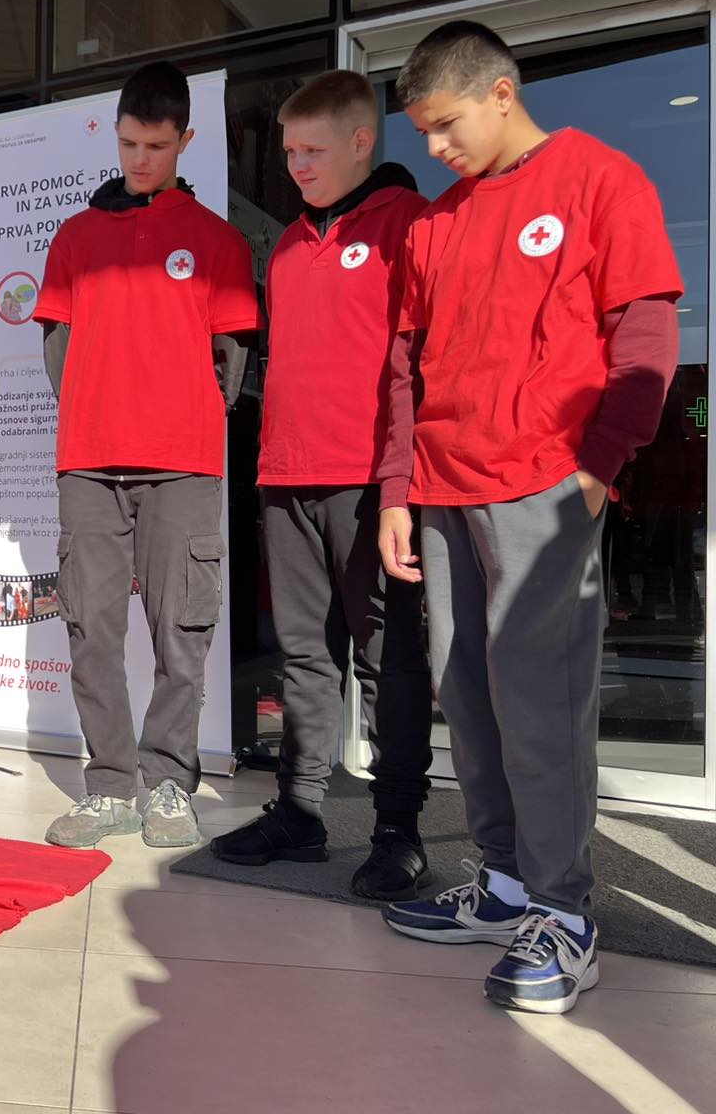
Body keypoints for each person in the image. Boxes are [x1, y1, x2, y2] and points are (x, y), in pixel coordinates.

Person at [376, 22, 681, 1013]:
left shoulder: (599, 180)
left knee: (539, 704)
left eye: (446, 125)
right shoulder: (433, 224)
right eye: (422, 132)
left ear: (500, 94)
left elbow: (645, 330)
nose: (434, 148)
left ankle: (563, 915)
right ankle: (504, 885)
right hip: (442, 490)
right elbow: (404, 369)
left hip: (544, 487)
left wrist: (599, 466)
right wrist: (395, 490)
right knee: (467, 696)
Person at [206, 71, 435, 901]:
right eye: (288, 151)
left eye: (311, 150)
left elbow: (420, 364)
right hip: (286, 475)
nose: (295, 165)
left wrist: (402, 481)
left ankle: (398, 829)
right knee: (302, 656)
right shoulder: (292, 244)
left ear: (361, 141)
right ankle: (300, 811)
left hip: (370, 481)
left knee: (386, 661)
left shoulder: (409, 224)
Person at [34, 61, 259, 850]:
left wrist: (179, 412)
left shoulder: (219, 241)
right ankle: (108, 787)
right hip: (89, 463)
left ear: (184, 140)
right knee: (89, 630)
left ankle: (168, 785)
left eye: (156, 147)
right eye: (129, 143)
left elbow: (231, 358)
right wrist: (96, 409)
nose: (140, 159)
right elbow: (56, 347)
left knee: (180, 631)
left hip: (183, 465)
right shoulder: (75, 237)